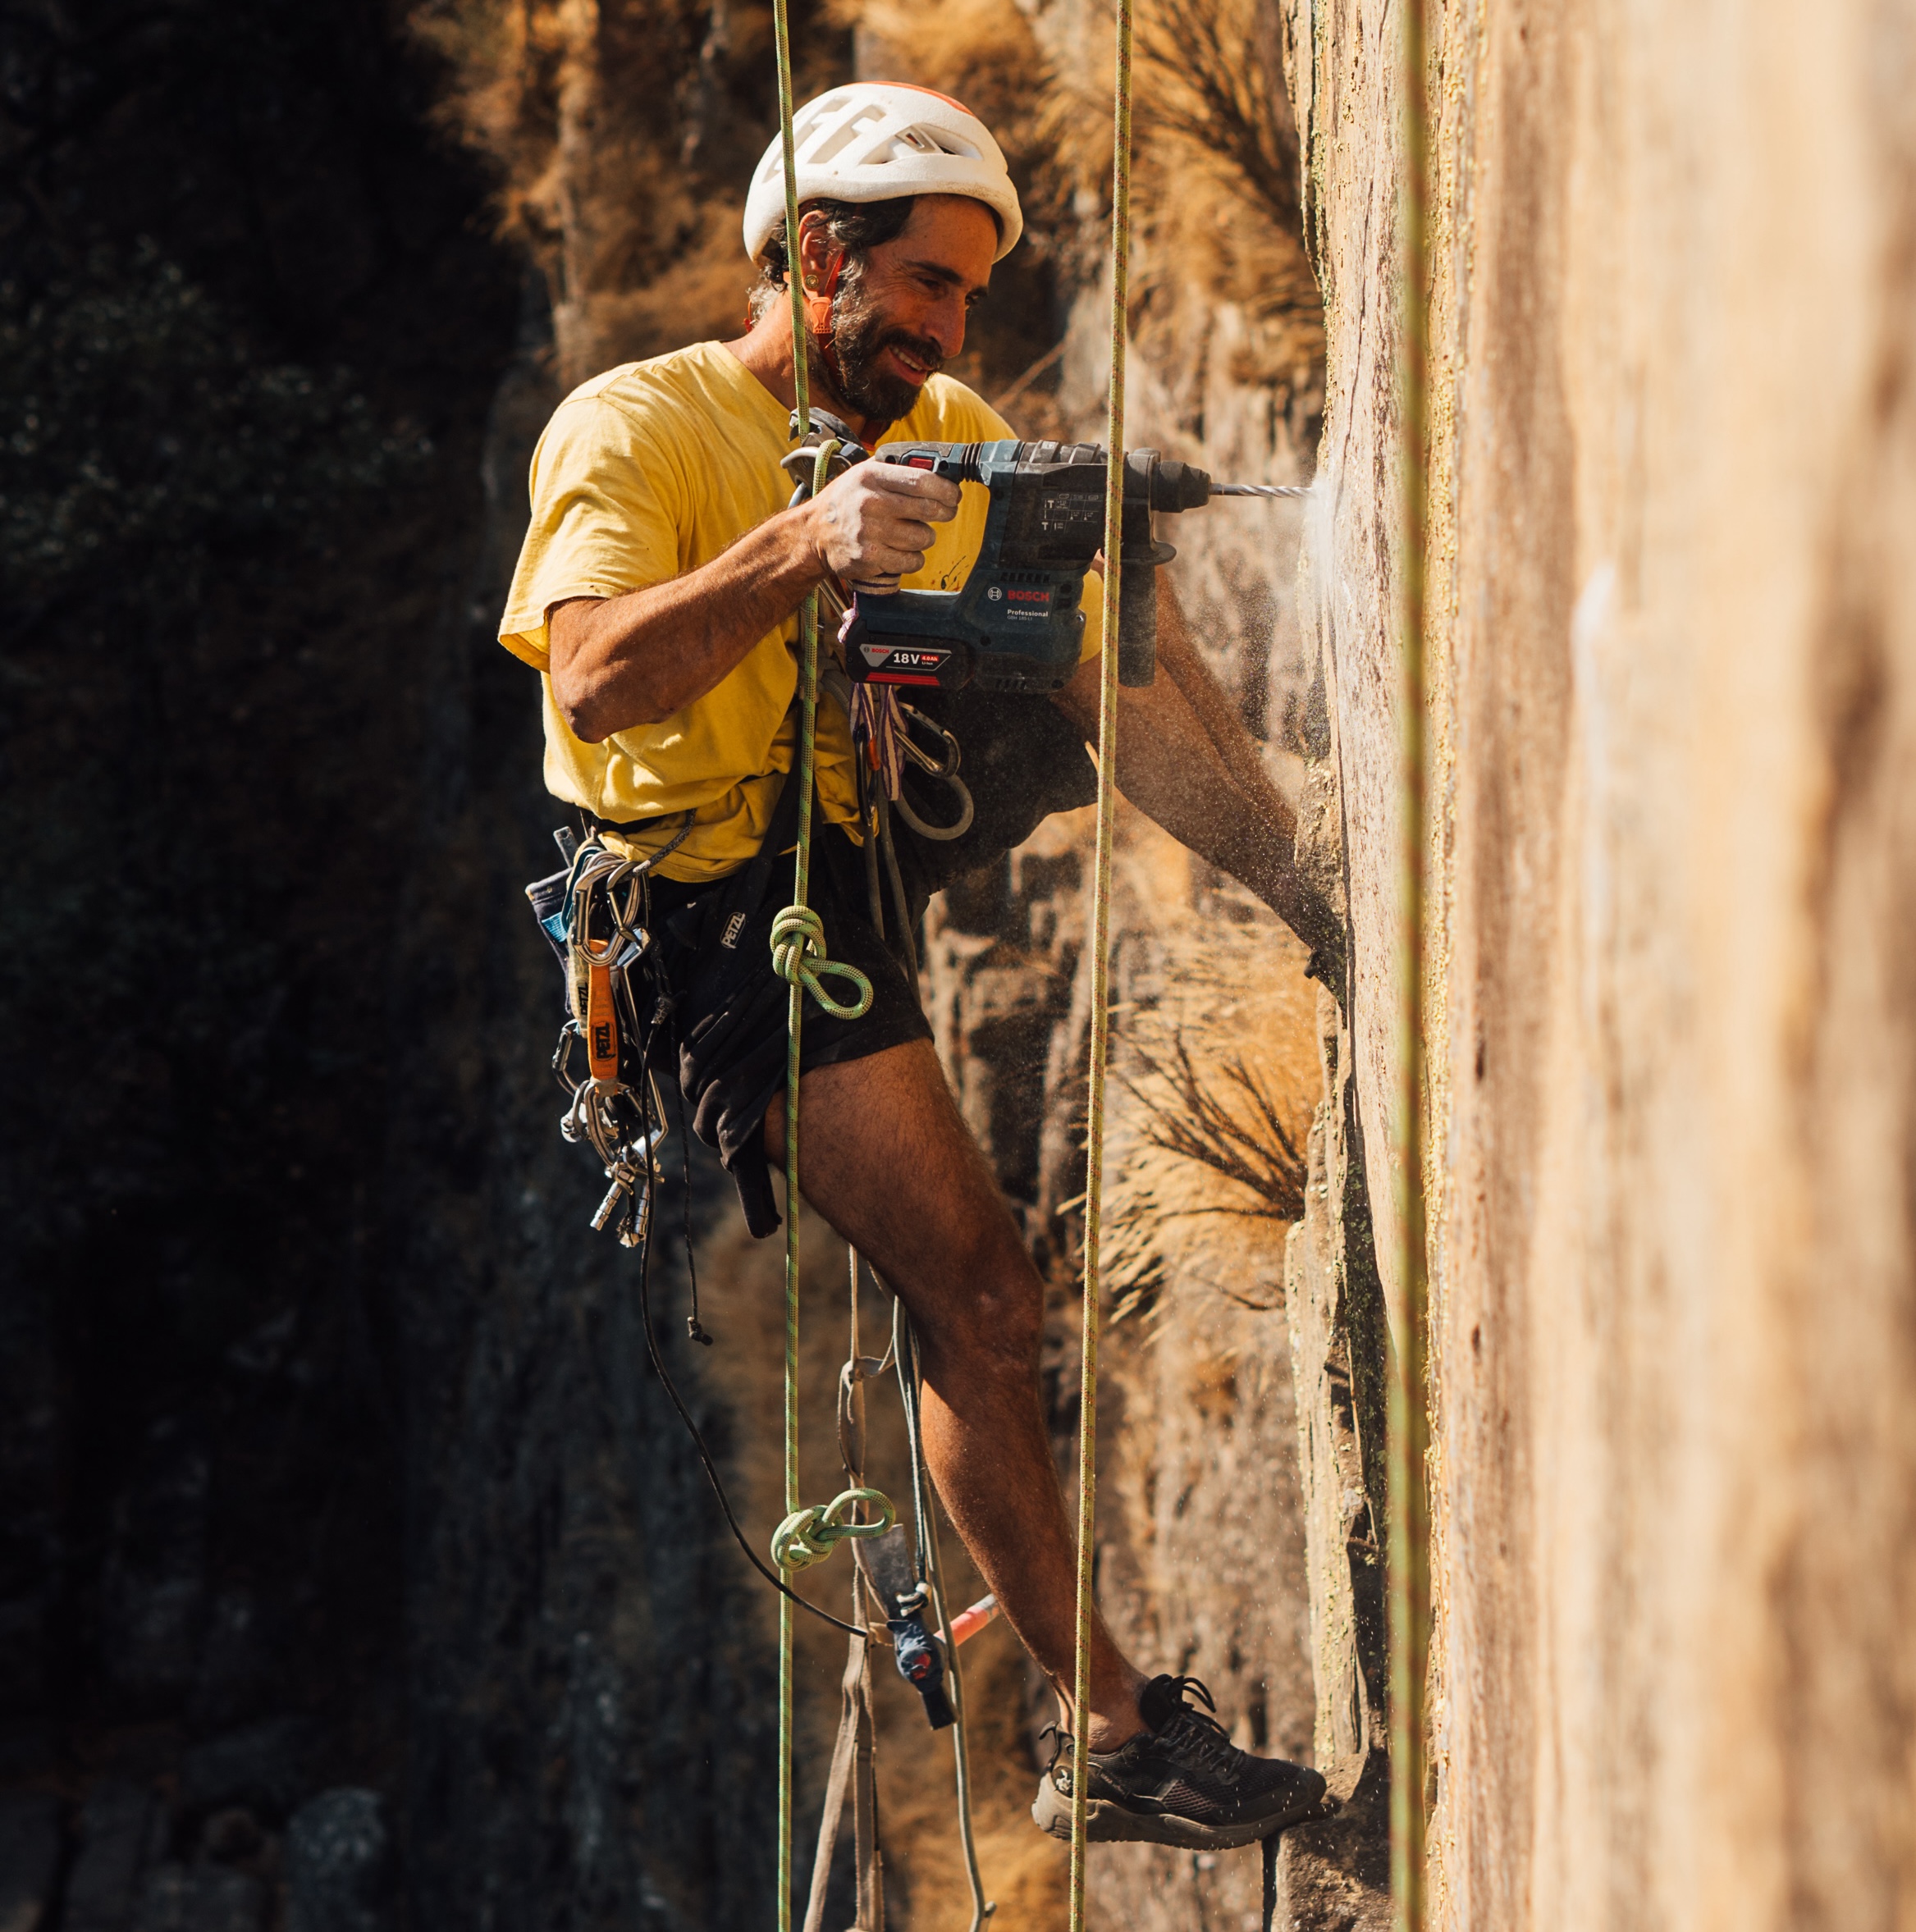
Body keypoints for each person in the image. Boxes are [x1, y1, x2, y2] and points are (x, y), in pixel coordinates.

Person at [500, 80, 1329, 1849]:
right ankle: (1106, 1737)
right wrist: (801, 542)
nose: (950, 332)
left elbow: (1076, 622)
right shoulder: (627, 428)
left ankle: (1293, 864)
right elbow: (587, 682)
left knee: (1075, 551)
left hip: (852, 818)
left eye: (965, 298)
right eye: (924, 287)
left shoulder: (931, 416)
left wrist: (1077, 549)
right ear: (813, 256)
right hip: (724, 914)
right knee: (977, 1291)